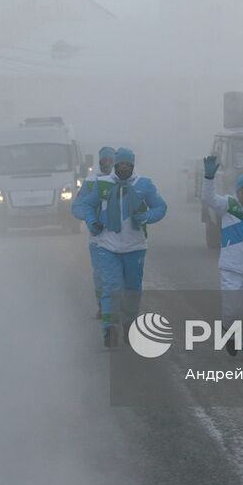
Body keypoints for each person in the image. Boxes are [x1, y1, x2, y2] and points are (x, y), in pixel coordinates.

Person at [71, 147, 167, 348]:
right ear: (115, 165)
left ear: (132, 166)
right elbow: (85, 205)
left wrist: (147, 216)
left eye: (127, 165)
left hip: (135, 246)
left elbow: (160, 207)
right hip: (107, 245)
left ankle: (130, 323)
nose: (123, 168)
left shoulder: (144, 185)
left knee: (132, 289)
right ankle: (109, 328)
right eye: (120, 165)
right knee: (112, 286)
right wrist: (92, 221)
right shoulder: (102, 184)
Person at [201, 157, 243, 361]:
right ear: (237, 191)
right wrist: (208, 177)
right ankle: (228, 330)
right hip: (231, 268)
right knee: (232, 310)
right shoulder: (228, 205)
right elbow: (209, 198)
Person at [73, 146, 117, 319]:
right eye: (104, 161)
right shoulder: (90, 182)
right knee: (100, 273)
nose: (107, 164)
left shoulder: (125, 181)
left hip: (120, 237)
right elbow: (77, 207)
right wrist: (91, 219)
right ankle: (102, 305)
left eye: (110, 161)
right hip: (97, 238)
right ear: (99, 162)